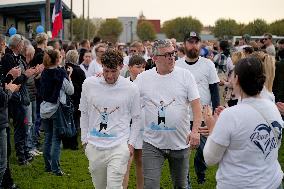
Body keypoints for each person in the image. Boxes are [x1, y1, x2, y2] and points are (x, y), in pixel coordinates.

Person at [203, 57, 283, 189]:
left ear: (237, 80)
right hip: (273, 181)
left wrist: (212, 127)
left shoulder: (231, 116)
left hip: (241, 184)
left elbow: (210, 158)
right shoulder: (272, 107)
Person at [134, 39, 202, 189]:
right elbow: (127, 96)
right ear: (155, 58)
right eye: (167, 55)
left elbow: (196, 106)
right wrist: (103, 80)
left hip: (180, 143)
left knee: (181, 185)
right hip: (152, 143)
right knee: (150, 186)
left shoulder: (185, 76)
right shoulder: (143, 79)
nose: (172, 57)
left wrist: (195, 131)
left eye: (173, 53)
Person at [80, 49, 141, 189]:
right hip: (95, 146)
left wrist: (131, 144)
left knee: (114, 186)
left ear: (121, 66)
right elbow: (84, 113)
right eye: (106, 71)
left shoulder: (131, 88)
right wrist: (85, 140)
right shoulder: (89, 84)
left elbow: (137, 118)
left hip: (119, 146)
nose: (109, 75)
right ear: (101, 66)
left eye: (113, 71)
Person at [176, 31, 220, 184]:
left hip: (203, 115)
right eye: (190, 42)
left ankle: (200, 170)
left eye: (196, 42)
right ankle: (185, 180)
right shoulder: (178, 65)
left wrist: (216, 112)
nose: (193, 45)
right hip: (184, 116)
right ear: (185, 44)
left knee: (203, 150)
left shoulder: (208, 64)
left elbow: (214, 89)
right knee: (184, 151)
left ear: (200, 44)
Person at [40, 49, 74, 176]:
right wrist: (69, 76)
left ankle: (48, 166)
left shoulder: (44, 72)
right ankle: (56, 169)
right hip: (56, 109)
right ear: (57, 59)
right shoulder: (60, 73)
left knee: (47, 138)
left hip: (44, 108)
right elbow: (70, 91)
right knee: (56, 139)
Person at [122, 55, 146, 189]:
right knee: (125, 162)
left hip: (142, 128)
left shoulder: (148, 84)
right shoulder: (124, 83)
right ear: (130, 68)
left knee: (141, 162)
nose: (141, 70)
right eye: (138, 67)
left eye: (143, 67)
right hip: (127, 128)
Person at [62, 50, 86, 150]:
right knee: (75, 121)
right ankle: (73, 143)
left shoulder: (63, 69)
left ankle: (66, 143)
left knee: (65, 120)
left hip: (65, 98)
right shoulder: (79, 70)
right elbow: (84, 86)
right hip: (76, 99)